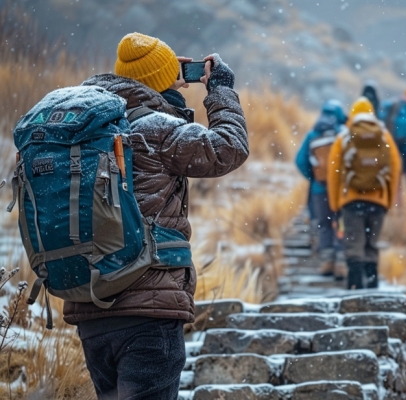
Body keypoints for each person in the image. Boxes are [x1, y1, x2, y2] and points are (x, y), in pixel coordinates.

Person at [65, 32, 248, 399]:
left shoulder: (84, 131)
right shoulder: (156, 129)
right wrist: (222, 91)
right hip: (149, 309)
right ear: (163, 81)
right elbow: (229, 148)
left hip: (91, 306)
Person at [327, 97, 401, 290]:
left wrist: (335, 205)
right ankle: (372, 282)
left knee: (354, 243)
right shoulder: (384, 136)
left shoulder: (344, 137)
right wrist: (388, 200)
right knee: (371, 243)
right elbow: (395, 168)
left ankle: (355, 286)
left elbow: (333, 173)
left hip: (351, 200)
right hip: (378, 201)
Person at [295, 100, 347, 278]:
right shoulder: (343, 133)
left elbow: (300, 161)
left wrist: (314, 177)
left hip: (319, 188)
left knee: (324, 223)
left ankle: (327, 262)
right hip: (341, 188)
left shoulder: (312, 134)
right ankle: (341, 261)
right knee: (341, 221)